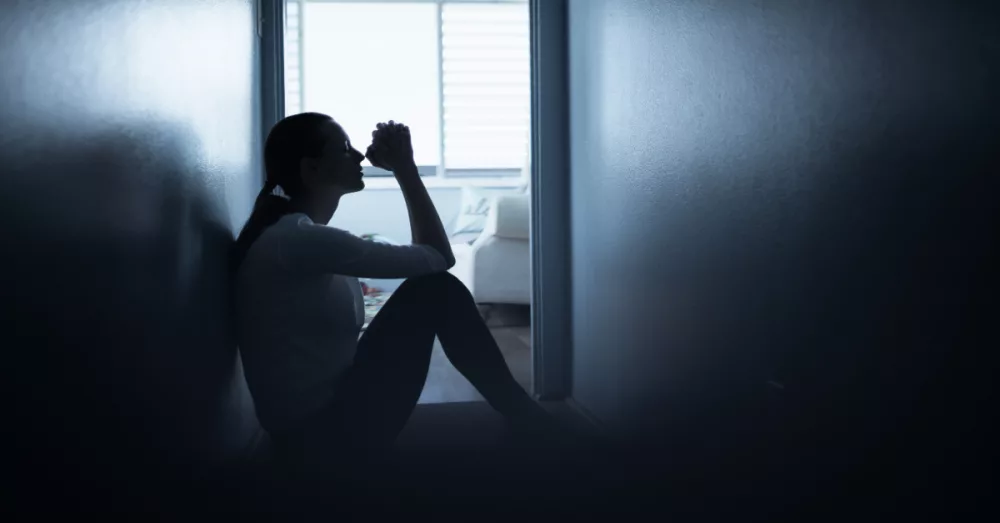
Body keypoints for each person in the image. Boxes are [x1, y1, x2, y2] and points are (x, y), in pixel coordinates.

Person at [232, 112, 555, 472]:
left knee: (431, 287)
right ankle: (524, 414)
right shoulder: (297, 239)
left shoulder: (289, 236)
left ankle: (520, 411)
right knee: (435, 289)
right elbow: (438, 257)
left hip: (310, 428)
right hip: (321, 439)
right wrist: (405, 168)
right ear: (311, 170)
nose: (357, 156)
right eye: (344, 149)